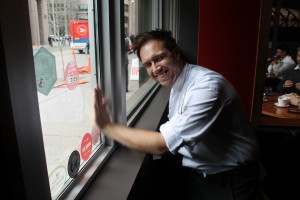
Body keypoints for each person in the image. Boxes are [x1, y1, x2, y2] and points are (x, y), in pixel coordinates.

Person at [94, 29, 261, 200]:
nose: (155, 69)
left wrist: (107, 127)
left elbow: (161, 145)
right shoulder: (177, 82)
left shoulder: (206, 86)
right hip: (202, 174)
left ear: (176, 53)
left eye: (159, 58)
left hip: (230, 179)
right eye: (147, 64)